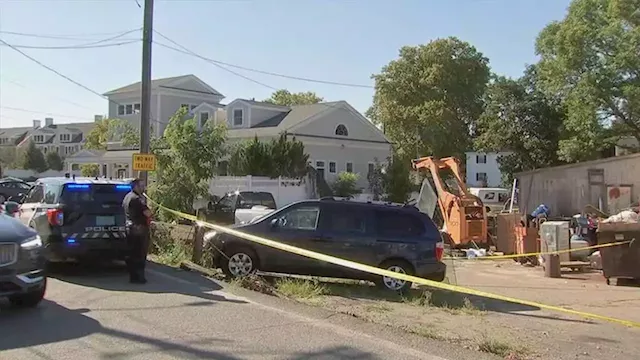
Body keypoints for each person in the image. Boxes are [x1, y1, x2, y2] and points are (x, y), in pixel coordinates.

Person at [122, 178, 152, 284]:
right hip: (139, 229)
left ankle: (133, 276)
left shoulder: (127, 197)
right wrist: (145, 204)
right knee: (140, 254)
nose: (143, 188)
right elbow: (148, 213)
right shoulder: (137, 199)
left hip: (129, 228)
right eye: (141, 186)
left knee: (131, 254)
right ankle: (139, 277)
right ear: (136, 186)